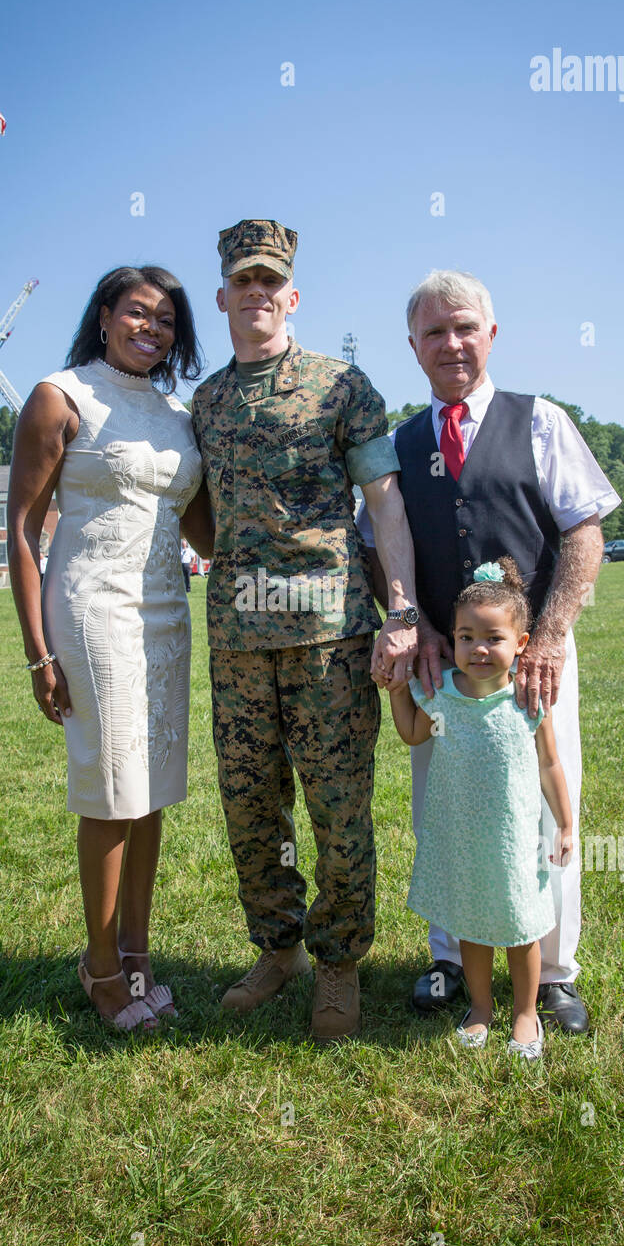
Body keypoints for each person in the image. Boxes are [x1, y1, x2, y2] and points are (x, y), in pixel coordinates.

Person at [358, 269, 620, 1034]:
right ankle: (448, 959)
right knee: (446, 811)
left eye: (464, 327)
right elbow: (375, 547)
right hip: (445, 669)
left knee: (540, 809)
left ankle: (556, 970)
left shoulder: (540, 421)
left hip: (532, 665)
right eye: (434, 332)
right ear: (413, 347)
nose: (451, 343)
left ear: (492, 334)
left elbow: (584, 531)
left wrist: (554, 632)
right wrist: (415, 624)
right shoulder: (399, 444)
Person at [191, 219, 420, 1042]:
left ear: (292, 295)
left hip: (330, 634)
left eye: (269, 282)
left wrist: (401, 611)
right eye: (242, 281)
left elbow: (385, 503)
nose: (256, 293)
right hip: (239, 641)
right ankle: (278, 947)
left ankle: (340, 962)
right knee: (250, 808)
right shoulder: (208, 403)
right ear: (223, 297)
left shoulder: (341, 387)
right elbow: (199, 509)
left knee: (336, 807)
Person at [8, 265, 214, 1033]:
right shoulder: (60, 396)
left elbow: (200, 527)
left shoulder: (175, 412)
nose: (149, 329)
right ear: (103, 316)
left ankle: (137, 956)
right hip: (92, 611)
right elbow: (24, 530)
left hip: (166, 611)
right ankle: (99, 968)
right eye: (136, 313)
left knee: (153, 787)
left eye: (164, 321)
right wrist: (37, 651)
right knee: (113, 786)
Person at [390, 558, 573, 1060]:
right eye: (466, 637)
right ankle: (480, 1008)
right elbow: (410, 733)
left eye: (493, 638)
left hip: (514, 842)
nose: (478, 649)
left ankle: (526, 1012)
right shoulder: (444, 695)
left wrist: (566, 823)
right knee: (471, 927)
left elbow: (551, 765)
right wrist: (396, 687)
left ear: (521, 644)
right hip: (461, 839)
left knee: (520, 927)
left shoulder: (527, 701)